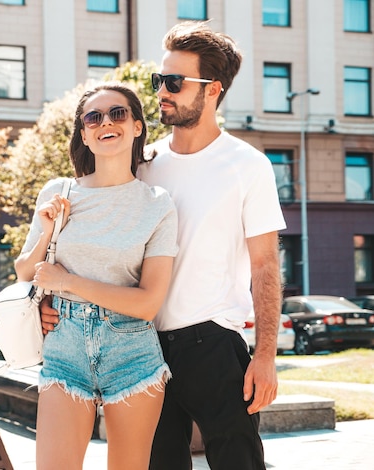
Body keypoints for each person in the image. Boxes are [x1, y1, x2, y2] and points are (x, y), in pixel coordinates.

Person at [41, 21, 286, 470]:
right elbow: (96, 245)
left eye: (174, 82)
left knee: (239, 463)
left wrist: (266, 355)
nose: (161, 92)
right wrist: (54, 301)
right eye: (159, 81)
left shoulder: (247, 165)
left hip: (213, 342)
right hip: (139, 346)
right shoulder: (144, 163)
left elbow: (265, 266)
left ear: (212, 89)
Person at [15, 82, 179, 470]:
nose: (106, 122)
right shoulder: (59, 192)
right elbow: (26, 271)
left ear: (138, 126)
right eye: (94, 117)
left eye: (117, 113)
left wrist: (67, 283)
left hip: (132, 352)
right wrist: (47, 226)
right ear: (85, 134)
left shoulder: (156, 205)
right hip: (64, 346)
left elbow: (147, 303)